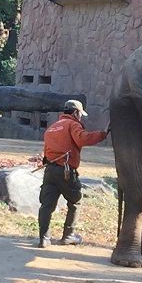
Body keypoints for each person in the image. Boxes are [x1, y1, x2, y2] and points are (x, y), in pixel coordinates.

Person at [38, 99, 107, 248]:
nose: (81, 117)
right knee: (75, 201)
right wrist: (103, 134)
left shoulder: (52, 128)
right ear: (76, 112)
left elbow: (46, 152)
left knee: (46, 205)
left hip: (49, 170)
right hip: (66, 171)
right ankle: (68, 235)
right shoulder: (73, 124)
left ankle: (44, 238)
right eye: (80, 114)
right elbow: (83, 139)